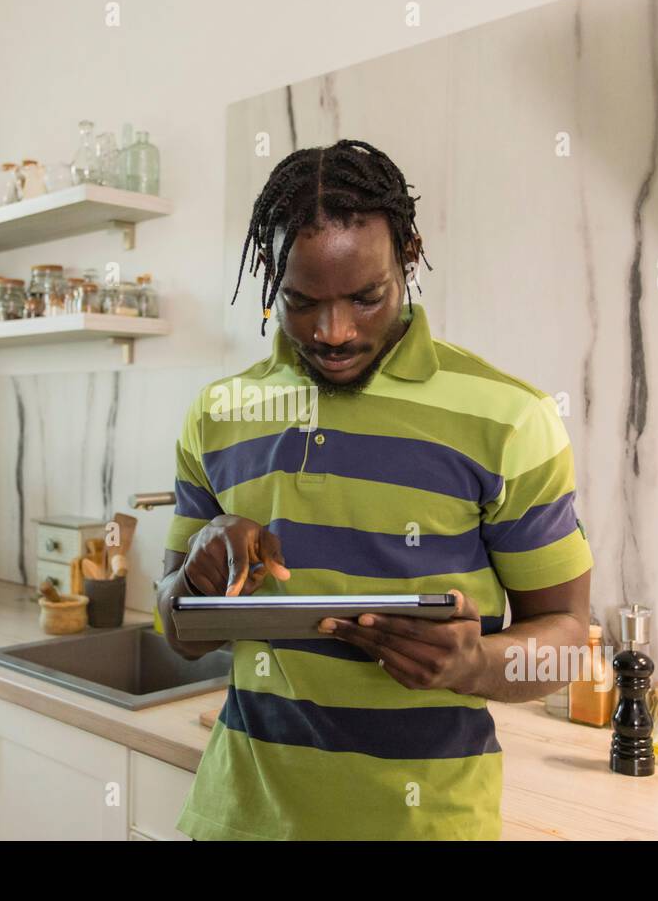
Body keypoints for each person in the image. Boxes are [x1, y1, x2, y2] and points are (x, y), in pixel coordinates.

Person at [155, 139, 593, 840]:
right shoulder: (218, 415)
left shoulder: (509, 418)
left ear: (409, 256)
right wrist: (198, 570)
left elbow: (572, 644)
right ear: (269, 273)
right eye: (301, 302)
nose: (335, 333)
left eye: (367, 296)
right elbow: (174, 626)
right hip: (240, 821)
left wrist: (474, 661)